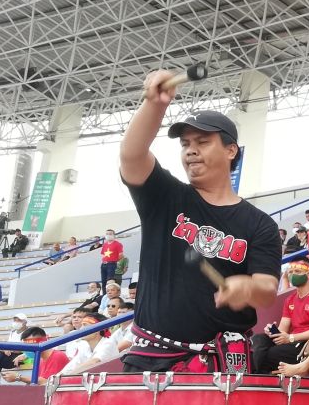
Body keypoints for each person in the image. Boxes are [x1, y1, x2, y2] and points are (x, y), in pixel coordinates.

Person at [119, 71, 280, 372]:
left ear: (231, 150)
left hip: (222, 369)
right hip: (150, 362)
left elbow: (267, 287)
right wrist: (154, 106)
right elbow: (131, 155)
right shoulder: (164, 197)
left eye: (202, 142)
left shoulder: (260, 225)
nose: (190, 150)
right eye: (185, 144)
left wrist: (247, 287)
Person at [251, 256, 309, 373]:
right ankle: (256, 377)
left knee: (269, 354)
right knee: (258, 340)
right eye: (290, 272)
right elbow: (282, 328)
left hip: (306, 344)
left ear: (308, 273)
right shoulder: (290, 299)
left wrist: (290, 338)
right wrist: (272, 331)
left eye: (297, 271)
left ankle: (256, 379)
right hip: (290, 341)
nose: (293, 275)